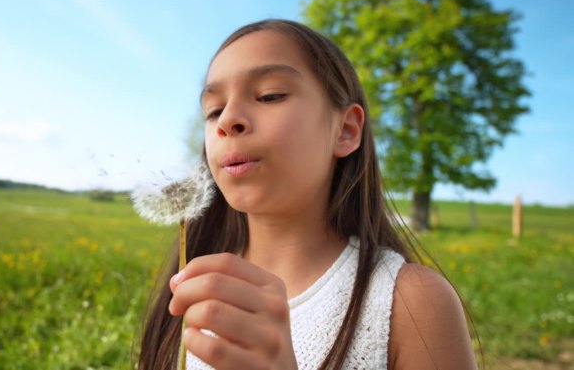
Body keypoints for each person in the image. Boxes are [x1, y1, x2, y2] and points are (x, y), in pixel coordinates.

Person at [138, 19, 477, 370]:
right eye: (213, 110)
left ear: (345, 130)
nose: (228, 119)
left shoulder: (412, 304)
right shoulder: (186, 289)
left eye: (270, 95)